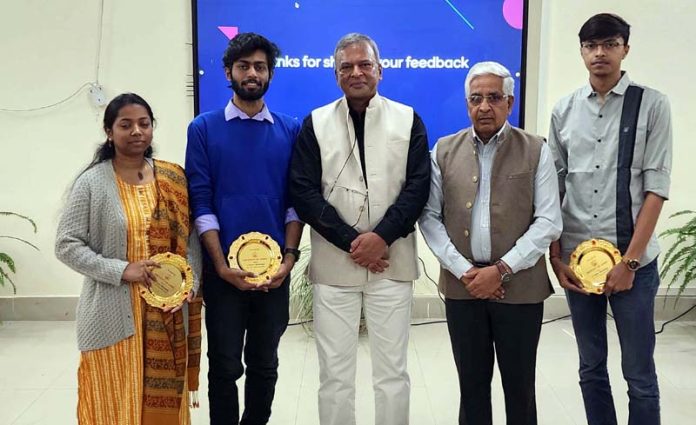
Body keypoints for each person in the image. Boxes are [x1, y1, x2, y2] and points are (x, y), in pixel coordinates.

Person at [289, 33, 430, 425]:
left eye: (364, 64)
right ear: (335, 75)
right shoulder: (315, 123)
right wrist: (355, 243)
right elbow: (302, 190)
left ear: (380, 71)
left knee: (392, 373)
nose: (356, 72)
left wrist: (381, 238)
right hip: (336, 266)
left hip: (392, 262)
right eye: (346, 67)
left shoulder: (408, 118)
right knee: (334, 375)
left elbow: (418, 187)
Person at [419, 61, 562, 425]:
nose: (484, 106)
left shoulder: (535, 149)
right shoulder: (442, 150)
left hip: (520, 290)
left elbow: (548, 221)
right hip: (463, 288)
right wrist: (467, 271)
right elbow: (430, 218)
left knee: (519, 388)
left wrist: (501, 269)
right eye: (476, 98)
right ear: (467, 104)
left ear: (509, 103)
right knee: (471, 387)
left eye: (494, 98)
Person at [548, 13, 672, 425]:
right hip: (578, 263)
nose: (600, 53)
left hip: (634, 266)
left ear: (625, 49)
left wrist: (630, 262)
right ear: (582, 51)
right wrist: (555, 256)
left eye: (610, 44)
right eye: (591, 45)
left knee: (639, 374)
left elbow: (656, 188)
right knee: (590, 368)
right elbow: (554, 189)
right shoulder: (563, 110)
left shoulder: (651, 104)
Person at [55, 93, 203, 425]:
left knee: (165, 404)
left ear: (152, 128)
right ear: (109, 131)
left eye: (144, 123)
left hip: (167, 311)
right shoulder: (92, 183)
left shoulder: (172, 178)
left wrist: (188, 283)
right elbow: (66, 244)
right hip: (112, 315)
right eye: (126, 125)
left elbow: (191, 238)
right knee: (115, 399)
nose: (136, 131)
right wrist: (123, 270)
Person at [185, 32, 303, 425]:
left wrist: (287, 260)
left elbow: (294, 203)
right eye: (243, 66)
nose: (252, 73)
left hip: (275, 276)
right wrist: (219, 266)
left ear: (269, 74)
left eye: (260, 66)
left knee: (265, 362)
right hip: (223, 276)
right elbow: (201, 203)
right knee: (223, 365)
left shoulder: (291, 129)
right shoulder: (203, 128)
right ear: (228, 72)